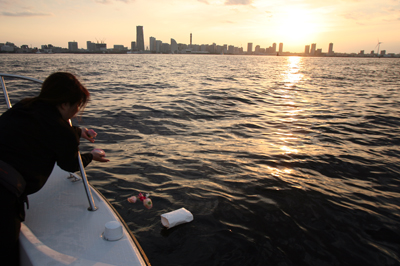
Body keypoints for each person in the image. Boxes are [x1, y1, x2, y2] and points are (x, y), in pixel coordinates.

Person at [0, 72, 109, 265]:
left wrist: (77, 132)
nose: (76, 111)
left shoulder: (25, 106)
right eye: (77, 105)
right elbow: (70, 164)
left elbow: (42, 129)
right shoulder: (60, 131)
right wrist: (91, 156)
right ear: (64, 104)